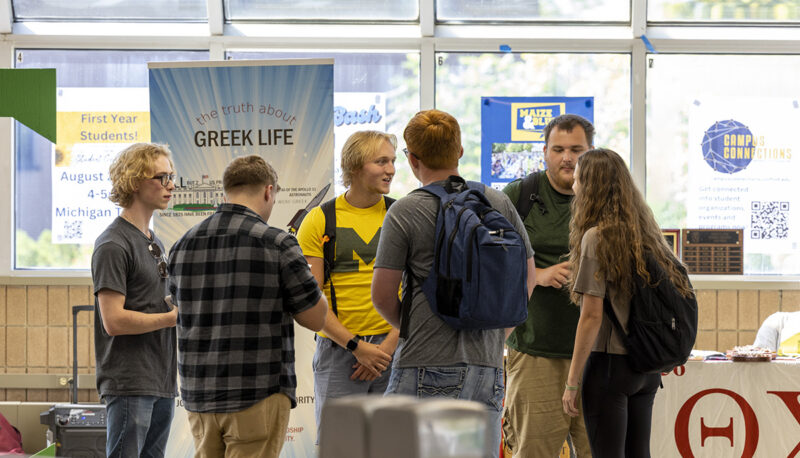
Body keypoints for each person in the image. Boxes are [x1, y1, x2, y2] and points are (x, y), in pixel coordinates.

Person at [371, 109, 536, 458]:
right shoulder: (497, 202)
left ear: (412, 159)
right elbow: (527, 277)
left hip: (424, 362)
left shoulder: (405, 210)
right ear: (459, 151)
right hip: (488, 366)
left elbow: (382, 295)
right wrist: (497, 330)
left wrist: (411, 327)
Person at [168, 155, 328, 458]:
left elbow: (179, 309)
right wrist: (308, 278)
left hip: (198, 395)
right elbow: (316, 318)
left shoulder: (182, 245)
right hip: (257, 392)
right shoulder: (278, 243)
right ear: (269, 191)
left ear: (226, 191)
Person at [562, 148, 694, 457]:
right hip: (645, 367)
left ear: (592, 187)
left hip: (609, 366)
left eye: (579, 180)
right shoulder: (646, 234)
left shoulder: (596, 237)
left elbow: (592, 316)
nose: (573, 187)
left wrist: (572, 381)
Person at [296, 131, 400, 440]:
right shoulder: (319, 220)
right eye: (381, 161)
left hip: (394, 350)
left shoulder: (402, 215)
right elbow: (311, 299)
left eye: (392, 161)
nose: (391, 169)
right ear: (354, 167)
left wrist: (384, 350)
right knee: (340, 446)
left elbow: (417, 291)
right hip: (339, 351)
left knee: (392, 446)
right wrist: (357, 347)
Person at [501, 114, 594, 457]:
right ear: (544, 152)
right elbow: (490, 262)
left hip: (597, 356)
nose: (567, 157)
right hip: (535, 351)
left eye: (576, 149)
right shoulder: (521, 195)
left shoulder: (604, 198)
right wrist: (537, 275)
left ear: (591, 151)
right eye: (558, 149)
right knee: (532, 450)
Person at [91, 142, 178, 457]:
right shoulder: (113, 244)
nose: (170, 185)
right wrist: (171, 319)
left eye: (171, 175)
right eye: (161, 177)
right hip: (130, 382)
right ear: (134, 181)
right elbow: (113, 320)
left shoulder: (155, 241)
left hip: (162, 379)